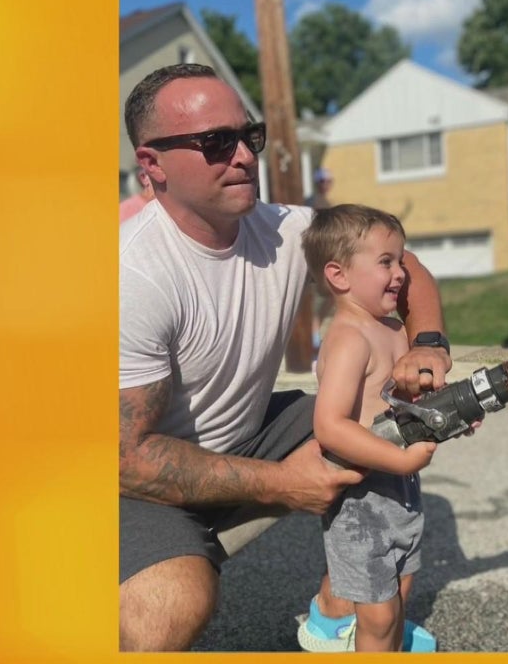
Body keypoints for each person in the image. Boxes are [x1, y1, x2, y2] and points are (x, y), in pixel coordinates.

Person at [118, 63, 454, 652]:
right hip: (130, 485)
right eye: (215, 142)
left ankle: (337, 616)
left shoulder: (285, 230)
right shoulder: (134, 275)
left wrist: (426, 344)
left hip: (246, 435)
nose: (244, 156)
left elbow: (403, 264)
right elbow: (126, 459)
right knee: (167, 610)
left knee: (393, 419)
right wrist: (284, 483)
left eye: (249, 135)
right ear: (153, 164)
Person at [299, 203, 441, 652]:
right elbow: (330, 426)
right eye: (386, 262)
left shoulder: (395, 330)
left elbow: (403, 402)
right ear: (339, 276)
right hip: (361, 502)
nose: (400, 273)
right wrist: (401, 460)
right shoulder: (349, 338)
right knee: (377, 613)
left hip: (400, 490)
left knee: (400, 588)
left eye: (400, 260)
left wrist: (445, 415)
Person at [305, 168, 336, 353]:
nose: (325, 185)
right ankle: (313, 334)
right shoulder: (313, 202)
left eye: (328, 181)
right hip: (315, 256)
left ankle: (315, 331)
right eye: (322, 181)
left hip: (324, 254)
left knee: (330, 294)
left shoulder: (325, 202)